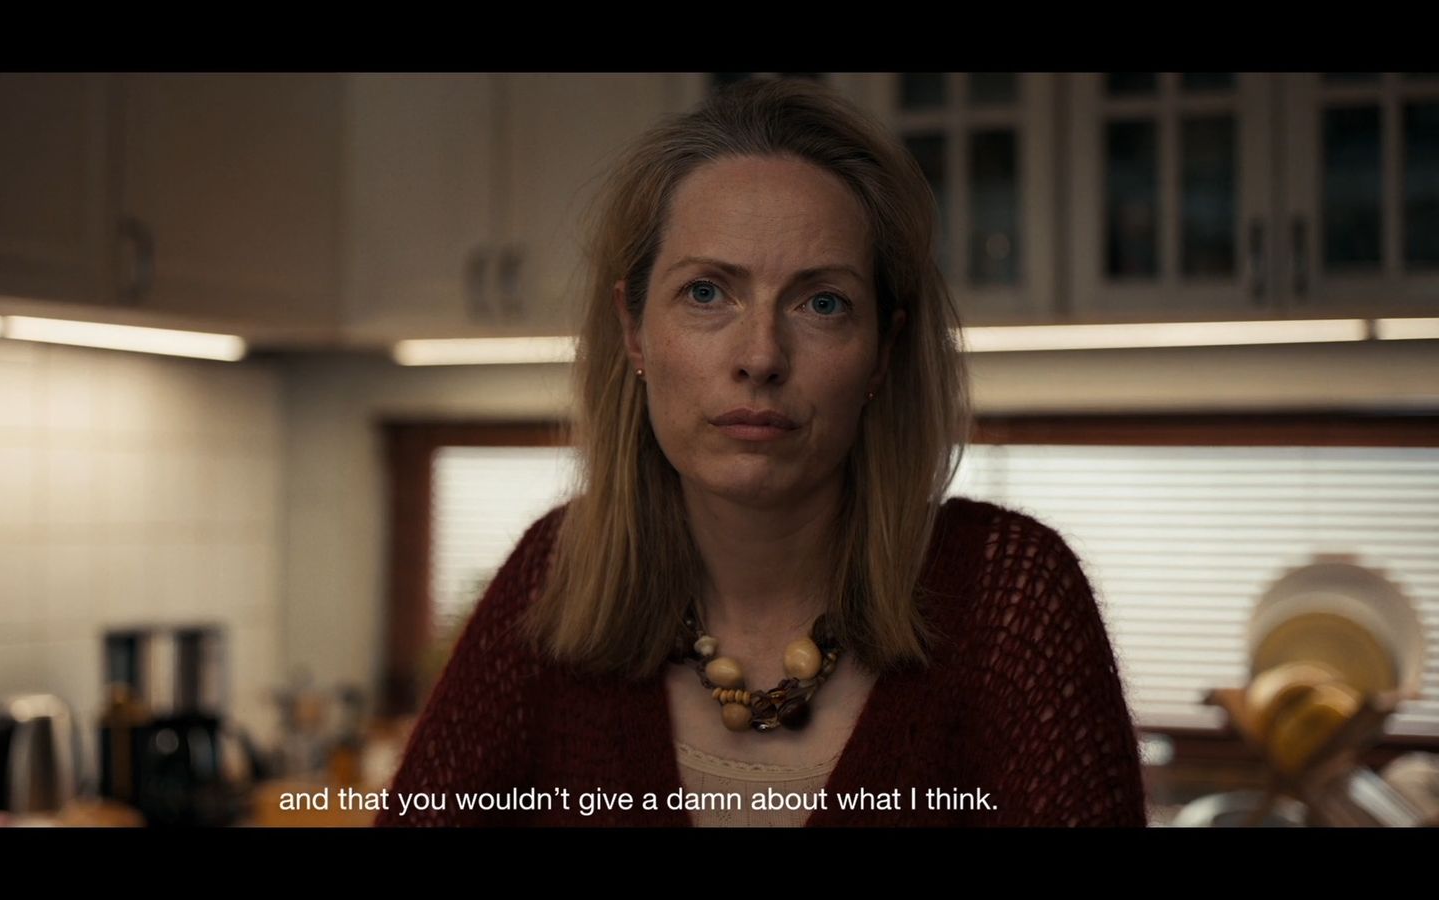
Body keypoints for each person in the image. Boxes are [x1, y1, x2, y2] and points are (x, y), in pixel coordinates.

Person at [376, 77, 1146, 827]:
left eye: (823, 302)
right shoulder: (554, 580)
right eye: (708, 292)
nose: (761, 356)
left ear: (883, 352)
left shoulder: (1011, 601)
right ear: (635, 330)